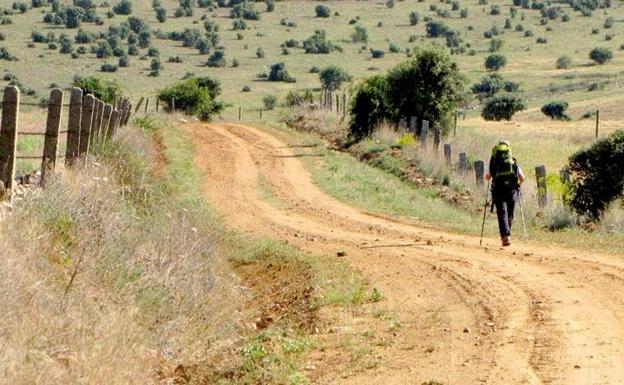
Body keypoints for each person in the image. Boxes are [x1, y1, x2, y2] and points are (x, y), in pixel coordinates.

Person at [485, 141, 525, 247]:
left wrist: (491, 177)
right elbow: (522, 178)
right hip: (511, 190)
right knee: (510, 214)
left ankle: (505, 237)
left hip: (498, 190)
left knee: (502, 213)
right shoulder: (513, 162)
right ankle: (507, 235)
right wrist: (517, 186)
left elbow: (488, 177)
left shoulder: (495, 161)